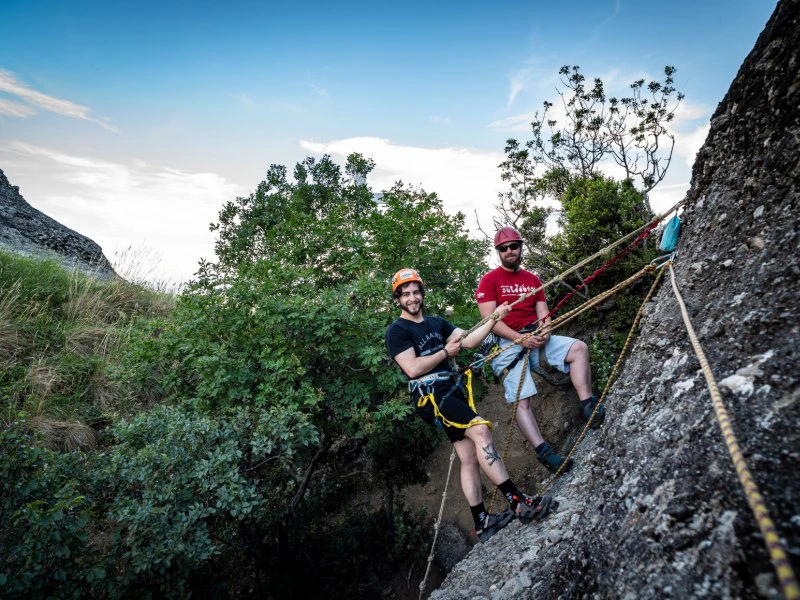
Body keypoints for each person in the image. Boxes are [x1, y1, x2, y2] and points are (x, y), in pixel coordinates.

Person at [384, 268, 556, 542]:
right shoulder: (397, 331)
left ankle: (482, 522)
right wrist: (444, 352)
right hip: (431, 396)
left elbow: (470, 338)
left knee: (467, 455)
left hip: (449, 390)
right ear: (398, 299)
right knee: (481, 432)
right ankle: (517, 501)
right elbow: (413, 368)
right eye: (406, 294)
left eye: (416, 292)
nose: (413, 298)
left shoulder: (437, 323)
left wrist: (494, 318)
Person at [475, 227, 604, 474]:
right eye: (504, 248)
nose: (509, 251)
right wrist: (519, 339)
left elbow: (544, 313)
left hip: (535, 337)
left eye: (513, 246)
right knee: (522, 401)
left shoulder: (532, 280)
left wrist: (545, 331)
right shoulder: (490, 280)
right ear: (498, 252)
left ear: (521, 247)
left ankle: (588, 406)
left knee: (579, 348)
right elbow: (489, 320)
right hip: (508, 343)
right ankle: (545, 453)